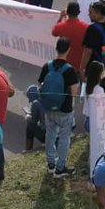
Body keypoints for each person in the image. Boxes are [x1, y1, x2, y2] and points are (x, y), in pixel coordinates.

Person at [38, 37, 80, 178]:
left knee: (50, 134)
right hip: (64, 109)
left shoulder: (47, 66)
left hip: (49, 107)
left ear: (56, 48)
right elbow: (74, 93)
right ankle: (60, 168)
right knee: (64, 138)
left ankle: (51, 164)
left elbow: (40, 86)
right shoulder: (70, 70)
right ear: (68, 50)